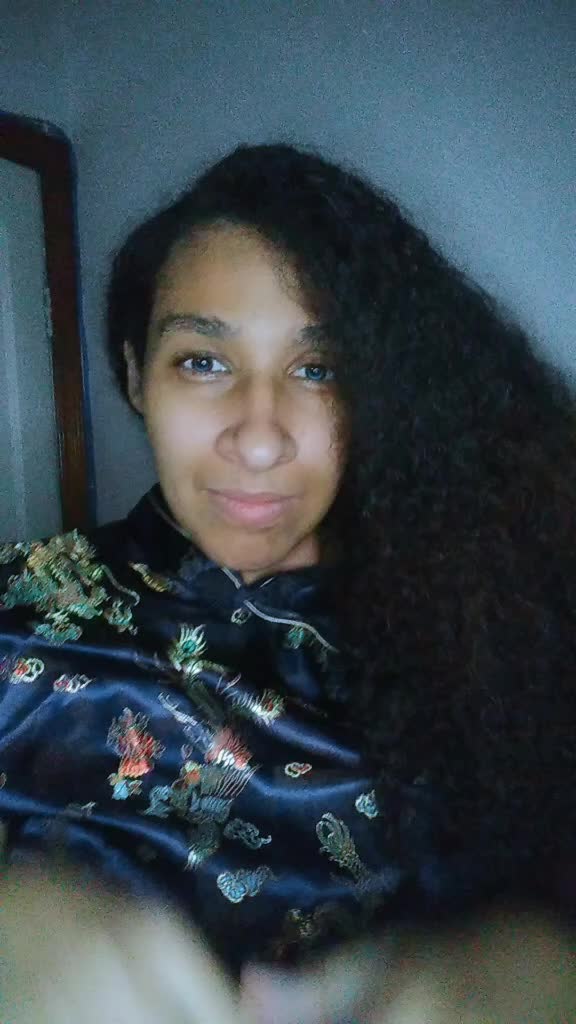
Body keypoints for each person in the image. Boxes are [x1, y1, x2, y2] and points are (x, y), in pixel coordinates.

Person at [0, 143, 574, 1022]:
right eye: (203, 360)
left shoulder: (504, 630)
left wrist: (537, 956)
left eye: (318, 369)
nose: (260, 437)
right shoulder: (17, 616)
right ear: (135, 376)